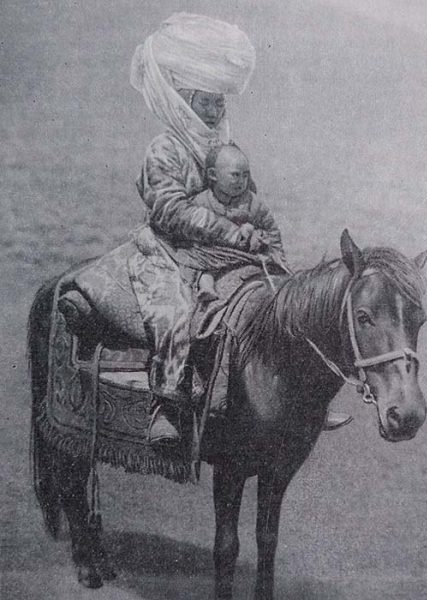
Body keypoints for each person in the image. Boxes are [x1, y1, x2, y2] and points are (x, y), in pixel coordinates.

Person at [129, 14, 350, 447]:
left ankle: (303, 402)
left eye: (219, 103)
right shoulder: (164, 149)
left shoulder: (222, 151)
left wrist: (266, 241)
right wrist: (234, 234)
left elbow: (251, 202)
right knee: (174, 315)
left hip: (228, 255)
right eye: (208, 102)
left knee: (285, 307)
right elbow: (169, 211)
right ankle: (164, 408)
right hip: (170, 253)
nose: (216, 111)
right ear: (185, 99)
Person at [193, 143, 285, 302]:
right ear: (213, 175)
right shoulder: (201, 202)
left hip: (244, 254)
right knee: (203, 270)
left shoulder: (254, 203)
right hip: (214, 254)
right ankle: (207, 289)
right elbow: (194, 230)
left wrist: (275, 254)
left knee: (267, 270)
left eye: (245, 175)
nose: (242, 181)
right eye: (235, 175)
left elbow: (271, 229)